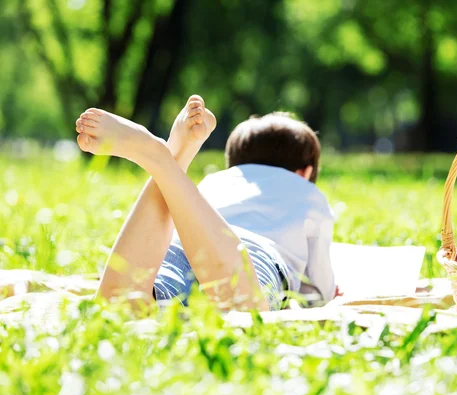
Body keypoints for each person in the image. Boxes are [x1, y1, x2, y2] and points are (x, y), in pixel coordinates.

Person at [75, 95, 335, 312]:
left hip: (183, 244)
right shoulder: (306, 192)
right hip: (256, 255)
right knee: (243, 311)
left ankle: (169, 158)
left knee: (122, 305)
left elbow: (179, 212)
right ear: (305, 172)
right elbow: (317, 289)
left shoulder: (217, 181)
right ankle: (161, 159)